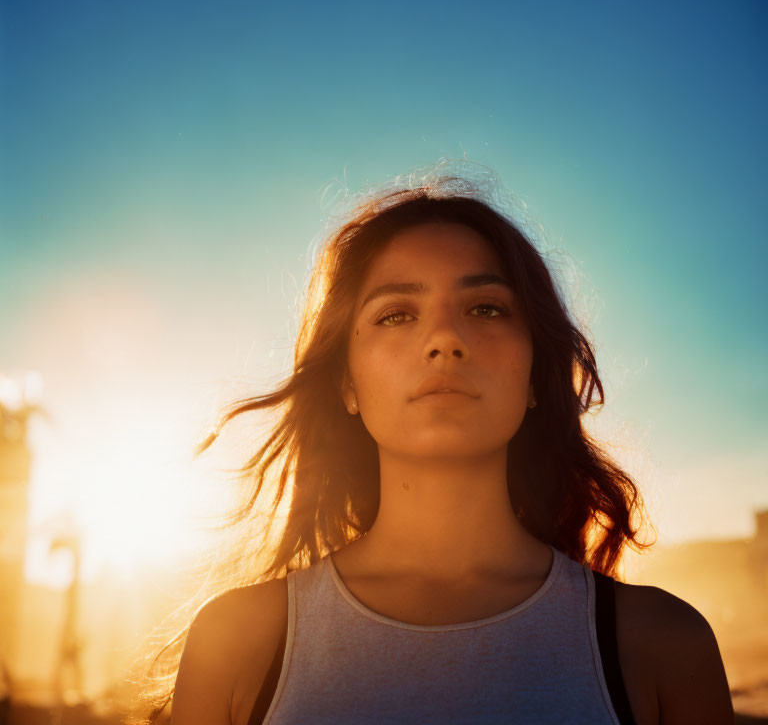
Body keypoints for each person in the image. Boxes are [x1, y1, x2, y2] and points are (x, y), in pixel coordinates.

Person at [135, 165, 734, 724]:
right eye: (397, 314)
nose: (445, 338)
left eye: (485, 308)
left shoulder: (661, 644)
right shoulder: (238, 643)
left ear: (534, 377)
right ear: (347, 382)